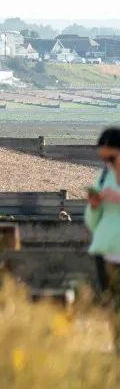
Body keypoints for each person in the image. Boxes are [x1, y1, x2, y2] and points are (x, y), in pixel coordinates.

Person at [87, 128, 120, 332]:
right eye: (103, 159)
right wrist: (94, 206)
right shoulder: (103, 177)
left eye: (111, 157)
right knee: (112, 308)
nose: (106, 164)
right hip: (105, 250)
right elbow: (92, 223)